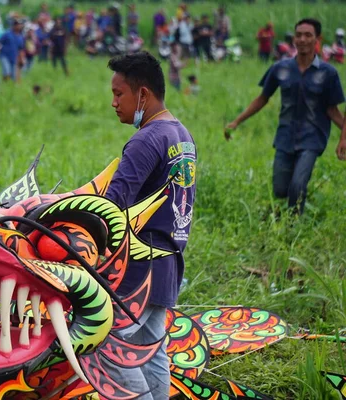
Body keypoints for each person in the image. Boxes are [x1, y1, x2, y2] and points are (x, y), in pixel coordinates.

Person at [106, 51, 196, 400]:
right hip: (169, 261)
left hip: (139, 265)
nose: (113, 103)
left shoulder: (146, 139)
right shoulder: (181, 135)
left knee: (105, 344)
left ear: (142, 94)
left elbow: (113, 206)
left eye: (119, 94)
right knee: (150, 347)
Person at [225, 19, 345, 215]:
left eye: (308, 35)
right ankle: (287, 211)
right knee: (281, 189)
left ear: (318, 39)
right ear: (293, 38)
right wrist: (237, 121)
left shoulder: (328, 73)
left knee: (297, 185)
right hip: (285, 137)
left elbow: (333, 110)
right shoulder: (280, 68)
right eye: (299, 35)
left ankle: (293, 227)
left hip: (312, 138)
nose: (302, 39)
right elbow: (262, 98)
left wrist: (343, 137)